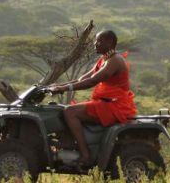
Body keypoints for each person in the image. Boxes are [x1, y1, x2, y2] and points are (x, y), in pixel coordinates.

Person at [43, 30, 136, 167]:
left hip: (114, 107)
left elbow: (92, 81)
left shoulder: (115, 61)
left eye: (99, 41)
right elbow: (82, 78)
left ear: (109, 42)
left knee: (70, 112)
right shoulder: (104, 59)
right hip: (105, 103)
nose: (95, 43)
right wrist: (57, 85)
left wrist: (64, 89)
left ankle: (85, 154)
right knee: (62, 109)